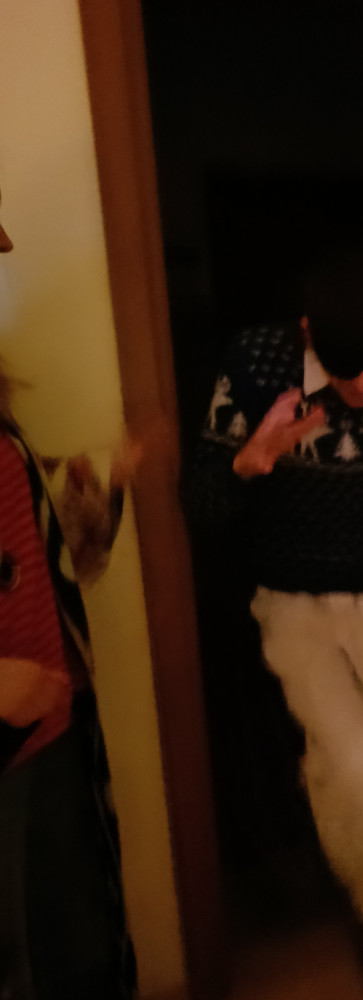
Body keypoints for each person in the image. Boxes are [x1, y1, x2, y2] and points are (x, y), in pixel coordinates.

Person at [189, 246, 363, 1000]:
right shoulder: (258, 361)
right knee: (358, 760)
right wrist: (249, 462)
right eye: (350, 372)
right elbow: (200, 505)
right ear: (310, 332)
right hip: (293, 598)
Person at [0, 195, 137, 997]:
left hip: (51, 729)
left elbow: (40, 555)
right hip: (10, 734)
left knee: (73, 943)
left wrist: (94, 487)